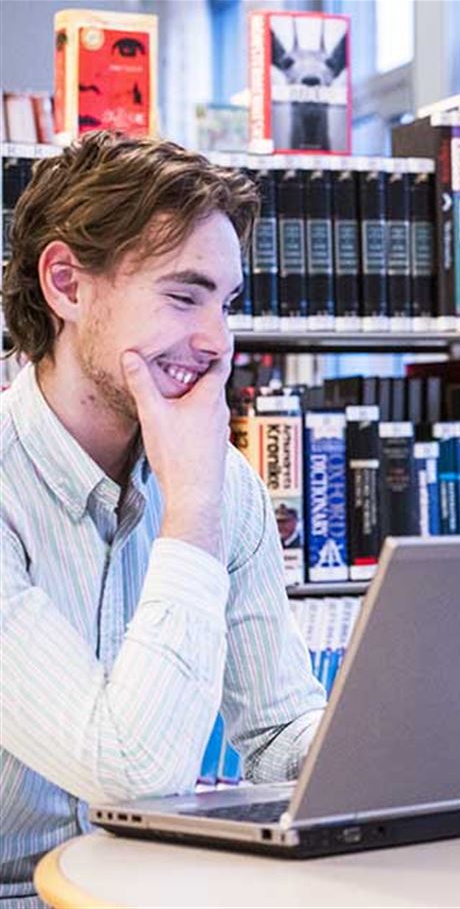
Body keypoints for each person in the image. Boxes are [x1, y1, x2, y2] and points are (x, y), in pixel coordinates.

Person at [0, 132, 326, 903]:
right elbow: (131, 770)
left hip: (156, 888)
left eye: (227, 303)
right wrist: (193, 512)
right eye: (184, 296)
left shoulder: (225, 485)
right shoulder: (204, 492)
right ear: (68, 286)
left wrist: (411, 758)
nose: (218, 342)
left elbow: (279, 732)